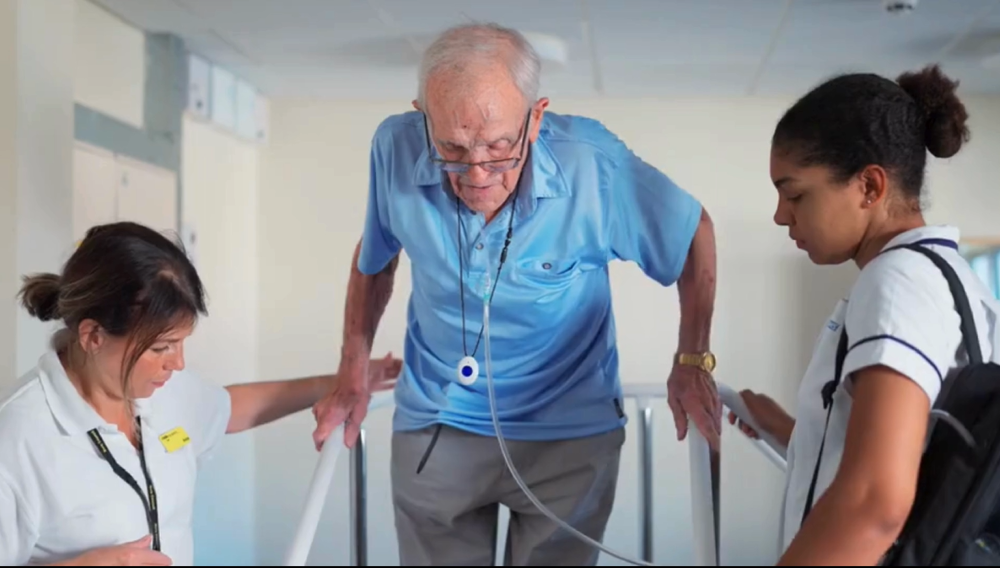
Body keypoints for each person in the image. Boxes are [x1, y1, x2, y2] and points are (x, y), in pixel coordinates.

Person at [312, 22, 720, 566]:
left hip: (568, 430)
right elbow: (376, 255)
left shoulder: (590, 161)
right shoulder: (394, 144)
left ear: (537, 117)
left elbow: (692, 234)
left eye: (499, 147)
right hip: (437, 422)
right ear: (422, 116)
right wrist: (352, 371)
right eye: (451, 148)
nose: (477, 172)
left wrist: (692, 359)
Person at [0, 221, 401, 567]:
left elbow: (229, 408)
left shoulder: (157, 392)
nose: (177, 363)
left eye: (181, 343)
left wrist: (343, 381)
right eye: (161, 348)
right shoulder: (19, 438)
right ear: (92, 336)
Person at [729, 64, 1000, 565]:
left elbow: (875, 501)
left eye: (795, 194)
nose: (781, 215)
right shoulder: (953, 278)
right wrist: (792, 429)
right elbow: (920, 458)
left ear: (870, 187)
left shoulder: (896, 280)